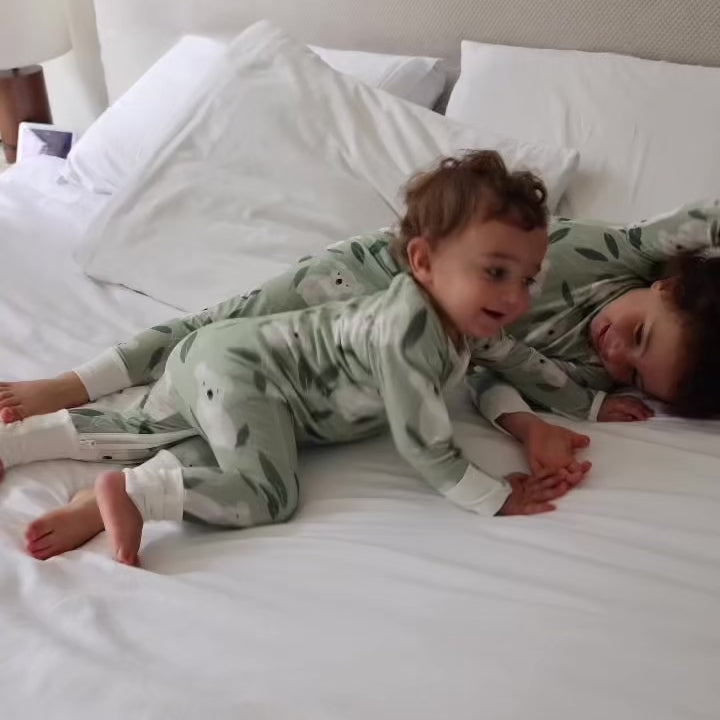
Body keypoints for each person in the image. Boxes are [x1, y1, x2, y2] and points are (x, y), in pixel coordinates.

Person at [1, 150, 588, 566]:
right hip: (244, 375)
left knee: (156, 430)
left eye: (527, 278)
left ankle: (18, 443)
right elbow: (426, 445)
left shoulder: (463, 317)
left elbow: (512, 356)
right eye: (495, 272)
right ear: (423, 262)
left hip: (222, 359)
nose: (515, 298)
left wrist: (591, 403)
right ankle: (137, 496)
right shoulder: (406, 333)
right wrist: (497, 496)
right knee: (267, 494)